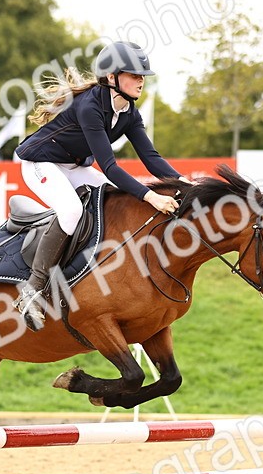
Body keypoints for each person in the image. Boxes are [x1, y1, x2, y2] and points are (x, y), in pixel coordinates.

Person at [11, 40, 181, 331]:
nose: (141, 80)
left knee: (112, 201)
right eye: (134, 75)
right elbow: (111, 167)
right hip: (41, 162)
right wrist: (151, 196)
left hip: (75, 165)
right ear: (112, 77)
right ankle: (32, 288)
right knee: (71, 212)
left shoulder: (128, 111)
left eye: (142, 76)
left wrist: (184, 183)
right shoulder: (91, 106)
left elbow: (151, 158)